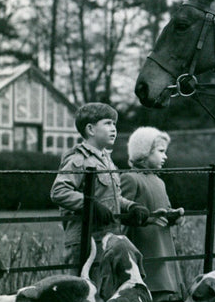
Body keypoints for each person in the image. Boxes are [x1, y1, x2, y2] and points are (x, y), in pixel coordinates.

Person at [50, 103, 150, 276]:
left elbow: (111, 197)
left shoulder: (107, 161)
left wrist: (131, 206)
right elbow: (59, 191)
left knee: (105, 289)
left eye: (115, 124)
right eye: (108, 123)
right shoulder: (78, 159)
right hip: (84, 241)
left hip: (107, 238)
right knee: (83, 291)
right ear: (90, 129)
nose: (114, 129)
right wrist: (89, 204)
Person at [120, 126, 185, 302]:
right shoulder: (130, 178)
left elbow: (162, 209)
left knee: (162, 298)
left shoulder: (159, 181)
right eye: (159, 150)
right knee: (150, 296)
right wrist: (147, 220)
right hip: (144, 247)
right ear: (143, 153)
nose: (164, 156)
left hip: (161, 245)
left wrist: (173, 215)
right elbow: (125, 215)